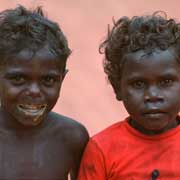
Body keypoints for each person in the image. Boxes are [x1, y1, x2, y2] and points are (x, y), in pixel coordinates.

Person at [78, 12, 180, 179]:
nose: (152, 95)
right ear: (117, 88)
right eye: (138, 84)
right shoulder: (102, 149)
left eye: (166, 81)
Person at [0, 5, 89, 180]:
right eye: (18, 78)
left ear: (62, 79)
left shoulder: (72, 137)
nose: (34, 91)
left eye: (48, 80)